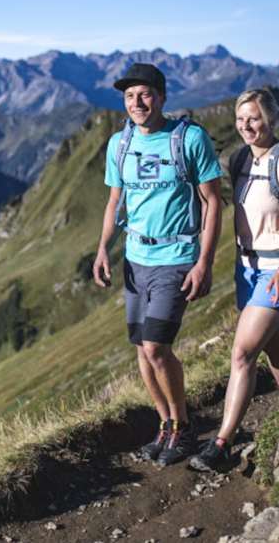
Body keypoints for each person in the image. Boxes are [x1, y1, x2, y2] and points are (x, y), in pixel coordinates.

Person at [93, 63, 223, 466]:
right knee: (140, 350)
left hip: (176, 257)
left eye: (145, 94)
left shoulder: (190, 138)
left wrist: (204, 262)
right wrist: (102, 249)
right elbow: (116, 201)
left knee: (156, 346)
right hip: (135, 258)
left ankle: (183, 428)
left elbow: (213, 201)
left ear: (162, 97)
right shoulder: (120, 144)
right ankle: (165, 424)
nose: (137, 102)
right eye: (129, 97)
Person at [188, 88, 279, 473]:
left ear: (271, 119)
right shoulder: (240, 158)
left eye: (254, 119)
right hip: (247, 268)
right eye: (241, 120)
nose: (246, 126)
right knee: (275, 351)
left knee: (242, 354)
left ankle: (222, 442)